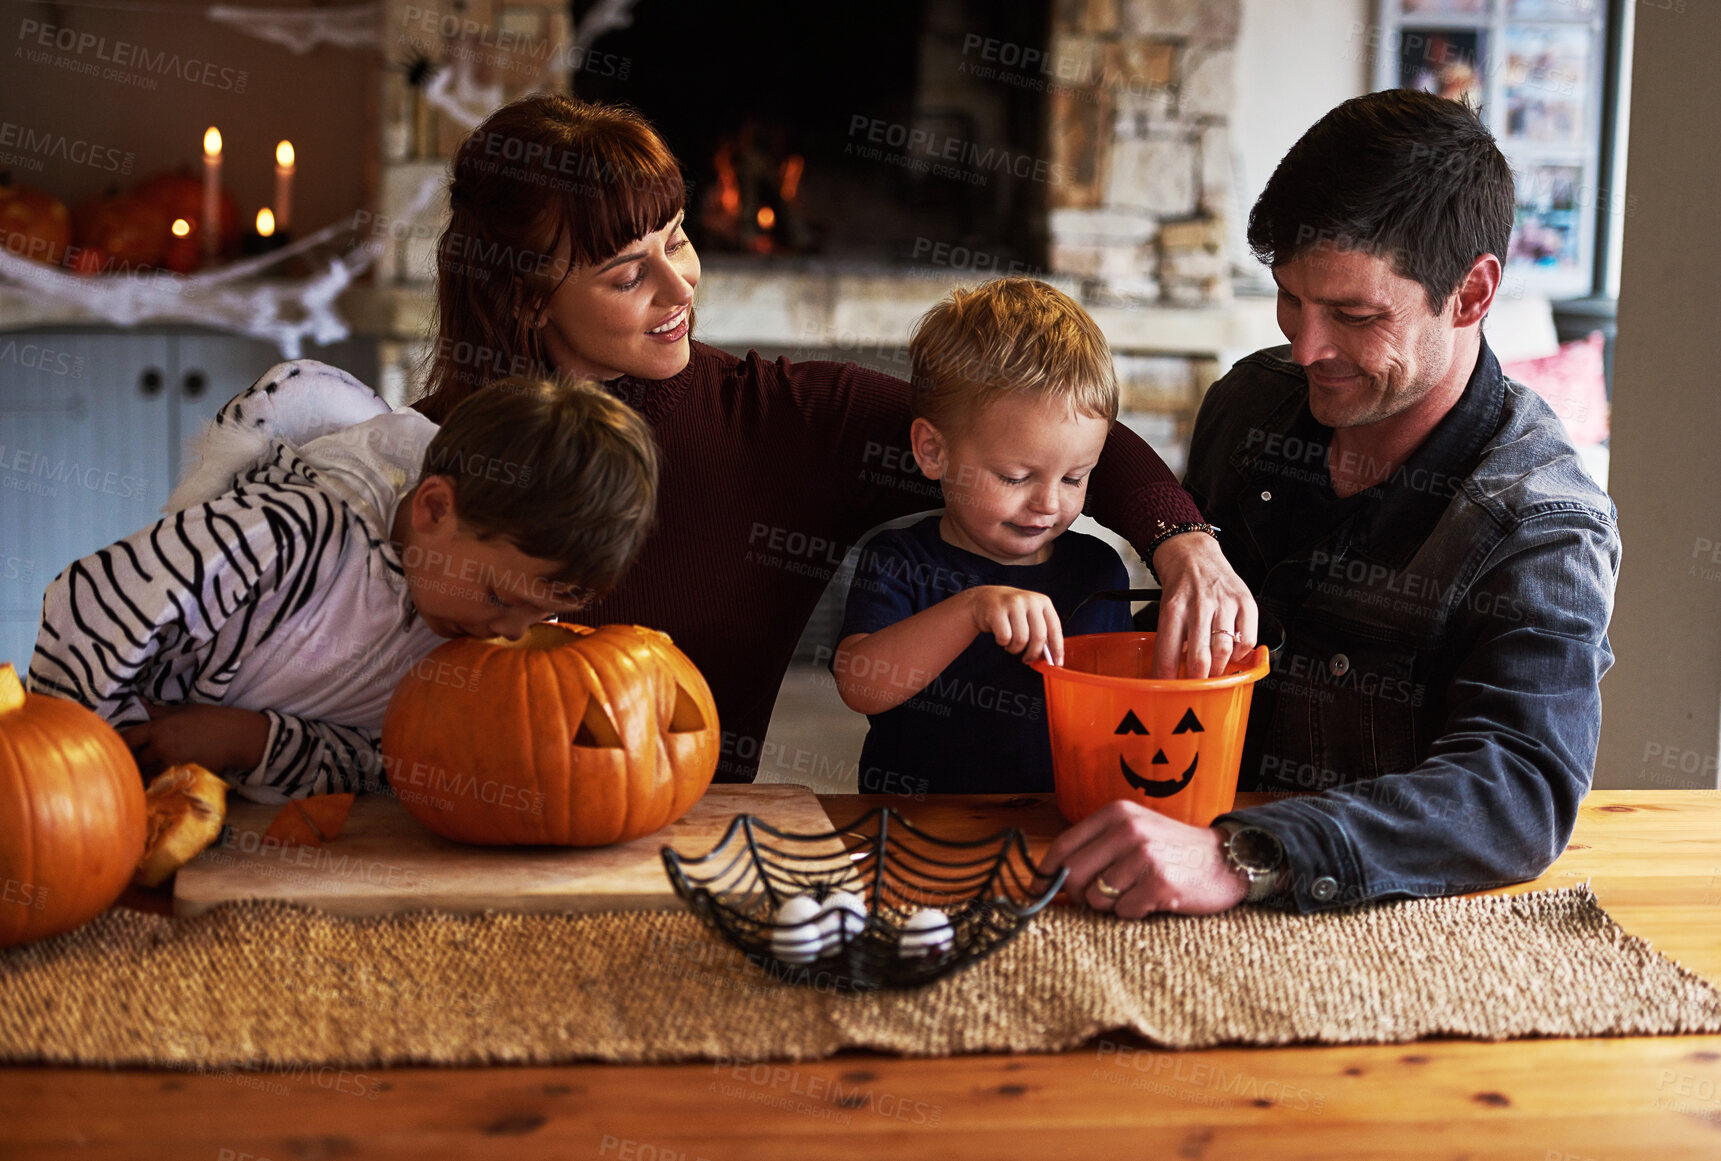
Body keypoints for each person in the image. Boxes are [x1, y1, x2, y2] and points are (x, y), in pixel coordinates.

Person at [410, 94, 1257, 785]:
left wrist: (1184, 543)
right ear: (526, 296)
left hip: (684, 843)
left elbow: (1057, 434)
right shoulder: (429, 458)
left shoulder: (784, 423)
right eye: (629, 273)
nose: (679, 287)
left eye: (677, 239)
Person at [1045, 89, 1621, 916]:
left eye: (1352, 314)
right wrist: (1182, 539)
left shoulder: (1540, 521)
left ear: (1470, 294)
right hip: (1152, 884)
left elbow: (1518, 793)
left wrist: (1238, 855)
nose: (1305, 347)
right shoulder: (1247, 404)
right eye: (1289, 298)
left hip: (1382, 945)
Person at [26, 366, 659, 801]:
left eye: (537, 617)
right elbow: (90, 603)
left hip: (250, 838)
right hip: (105, 783)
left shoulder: (477, 625)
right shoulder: (289, 530)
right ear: (434, 509)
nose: (511, 635)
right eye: (499, 598)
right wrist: (86, 772)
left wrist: (247, 739)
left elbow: (390, 766)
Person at [831, 278, 1135, 794]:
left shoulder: (1099, 570)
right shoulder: (901, 559)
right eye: (1015, 478)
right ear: (933, 451)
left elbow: (1122, 708)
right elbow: (861, 686)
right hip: (912, 827)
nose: (1048, 503)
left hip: (1058, 822)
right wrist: (971, 609)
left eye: (1074, 479)